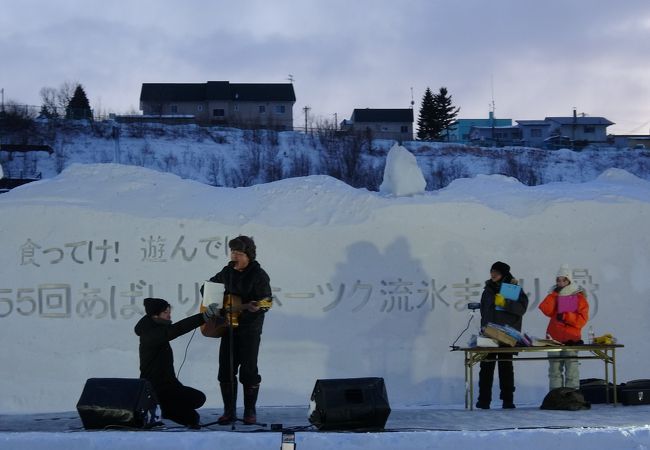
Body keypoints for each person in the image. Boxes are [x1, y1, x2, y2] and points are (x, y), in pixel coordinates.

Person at [208, 235, 272, 425]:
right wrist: (215, 304)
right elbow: (209, 287)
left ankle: (249, 411)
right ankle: (229, 410)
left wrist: (256, 306)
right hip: (228, 327)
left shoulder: (259, 275)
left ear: (248, 255)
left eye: (238, 253)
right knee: (225, 370)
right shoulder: (227, 271)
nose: (234, 256)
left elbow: (266, 301)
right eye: (232, 252)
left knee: (249, 370)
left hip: (250, 328)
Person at [134, 297, 222, 428]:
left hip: (169, 385)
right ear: (155, 315)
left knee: (198, 399)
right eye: (165, 312)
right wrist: (203, 317)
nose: (169, 315)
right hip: (155, 388)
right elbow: (178, 329)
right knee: (192, 418)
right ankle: (162, 408)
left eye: (169, 311)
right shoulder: (150, 334)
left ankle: (167, 409)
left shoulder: (156, 329)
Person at [477, 261, 529, 409]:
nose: (493, 274)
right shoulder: (488, 290)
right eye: (491, 271)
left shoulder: (512, 288)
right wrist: (483, 327)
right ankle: (484, 400)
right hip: (489, 334)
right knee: (486, 367)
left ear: (504, 274)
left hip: (507, 335)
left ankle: (507, 400)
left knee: (505, 368)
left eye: (496, 272)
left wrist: (505, 303)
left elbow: (521, 309)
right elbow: (484, 311)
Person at [538, 264, 589, 390]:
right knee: (554, 371)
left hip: (571, 339)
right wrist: (553, 295)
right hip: (553, 339)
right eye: (558, 280)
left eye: (564, 279)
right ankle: (556, 397)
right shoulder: (554, 294)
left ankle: (572, 396)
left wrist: (566, 316)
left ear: (569, 280)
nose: (560, 282)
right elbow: (545, 309)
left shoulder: (579, 297)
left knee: (571, 370)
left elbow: (581, 320)